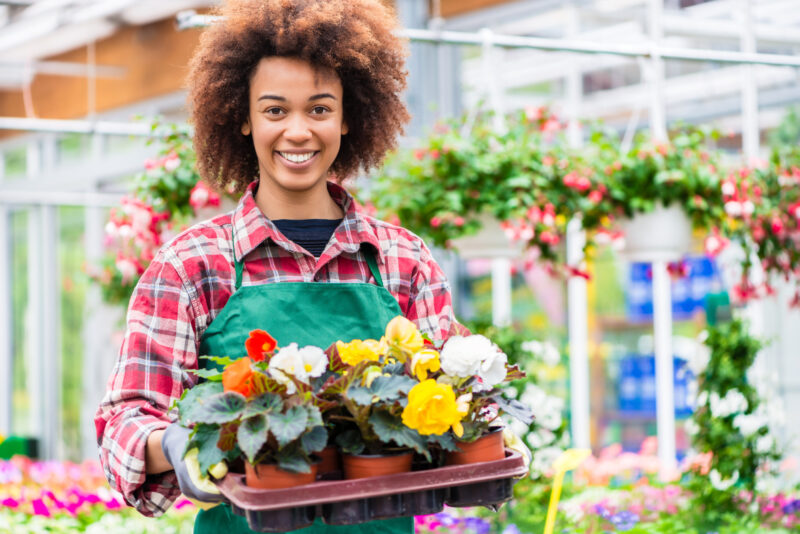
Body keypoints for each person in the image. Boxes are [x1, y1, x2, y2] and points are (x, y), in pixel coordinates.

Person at [95, 1, 464, 532]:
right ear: (242, 118)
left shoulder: (404, 261)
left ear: (347, 118)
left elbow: (450, 405)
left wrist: (478, 417)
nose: (297, 131)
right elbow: (124, 422)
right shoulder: (192, 265)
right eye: (274, 110)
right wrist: (172, 442)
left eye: (319, 109)